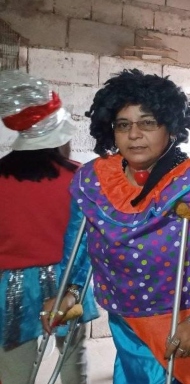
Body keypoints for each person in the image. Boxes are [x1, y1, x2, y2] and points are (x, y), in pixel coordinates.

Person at [43, 69, 190, 384]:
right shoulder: (94, 179)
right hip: (126, 318)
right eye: (123, 125)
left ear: (170, 128)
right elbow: (81, 242)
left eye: (147, 123)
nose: (134, 135)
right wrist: (71, 291)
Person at [0, 70, 98, 384]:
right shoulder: (79, 177)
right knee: (72, 365)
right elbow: (87, 239)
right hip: (68, 282)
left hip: (10, 287)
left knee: (14, 370)